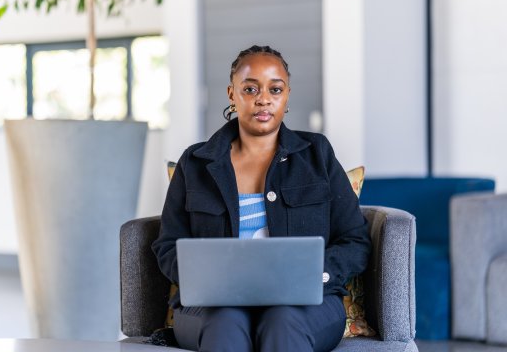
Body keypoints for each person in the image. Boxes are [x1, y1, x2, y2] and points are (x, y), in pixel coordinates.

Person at [152, 45, 371, 352]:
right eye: (250, 88)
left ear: (287, 95)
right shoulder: (195, 162)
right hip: (211, 307)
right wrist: (203, 280)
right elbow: (167, 245)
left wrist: (316, 274)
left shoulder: (317, 154)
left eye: (275, 89)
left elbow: (354, 240)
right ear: (232, 94)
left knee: (282, 321)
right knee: (225, 323)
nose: (263, 98)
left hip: (306, 303)